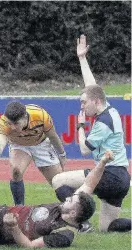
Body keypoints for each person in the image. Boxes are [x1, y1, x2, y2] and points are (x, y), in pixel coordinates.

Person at [0, 151, 112, 249]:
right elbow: (89, 184)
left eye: (71, 199)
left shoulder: (64, 234)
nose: (66, 197)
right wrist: (103, 162)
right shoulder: (66, 207)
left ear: (73, 212)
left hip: (6, 230)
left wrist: (13, 227)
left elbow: (29, 246)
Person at [50, 35, 130, 233]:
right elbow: (92, 86)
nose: (82, 106)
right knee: (107, 228)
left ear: (95, 102)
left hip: (109, 174)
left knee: (58, 181)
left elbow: (85, 149)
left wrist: (80, 126)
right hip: (122, 178)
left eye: (84, 103)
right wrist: (82, 59)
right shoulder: (109, 109)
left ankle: (81, 221)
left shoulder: (102, 122)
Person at [0, 102, 67, 205]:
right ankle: (19, 208)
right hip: (19, 145)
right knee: (16, 171)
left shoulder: (40, 115)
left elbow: (53, 136)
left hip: (41, 144)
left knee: (59, 182)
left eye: (16, 123)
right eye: (10, 123)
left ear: (25, 116)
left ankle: (74, 210)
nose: (12, 127)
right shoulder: (3, 123)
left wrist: (62, 154)